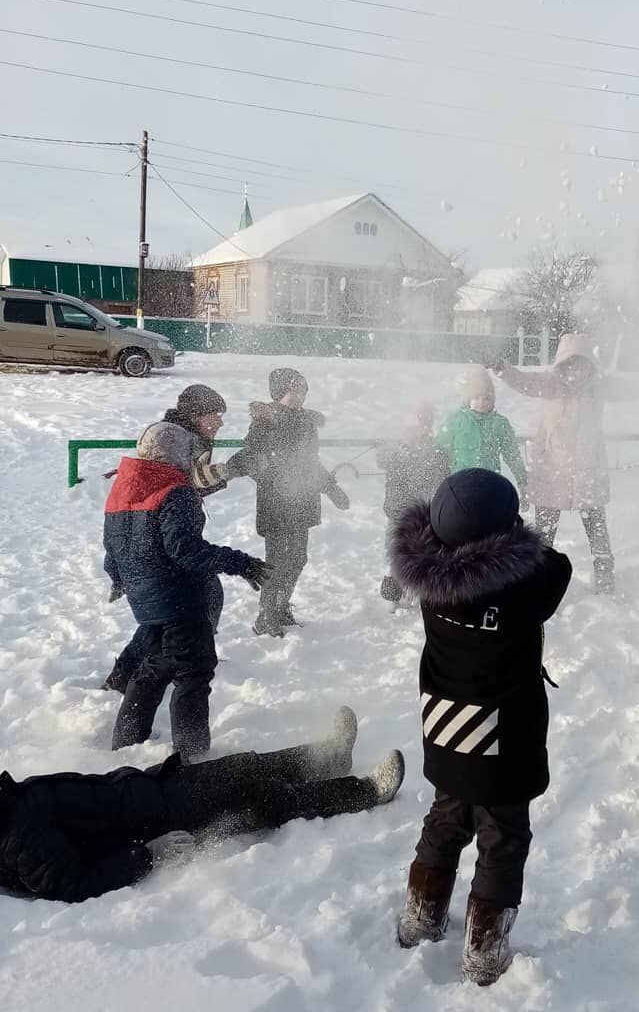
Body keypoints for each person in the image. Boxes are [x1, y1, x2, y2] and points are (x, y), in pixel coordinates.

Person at [390, 469, 572, 986]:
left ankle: (422, 917)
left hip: (447, 723)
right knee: (503, 835)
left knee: (447, 816)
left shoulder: (429, 575)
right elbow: (556, 565)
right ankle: (485, 951)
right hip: (504, 734)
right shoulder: (523, 584)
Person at [0, 707, 405, 903]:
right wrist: (148, 856)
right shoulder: (19, 839)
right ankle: (366, 791)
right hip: (161, 819)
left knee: (247, 766)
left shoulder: (12, 802)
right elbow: (76, 885)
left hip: (150, 790)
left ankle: (329, 756)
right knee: (267, 799)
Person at [491, 334, 639, 594]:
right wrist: (499, 366)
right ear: (561, 364)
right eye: (570, 364)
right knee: (543, 538)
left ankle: (606, 585)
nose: (576, 370)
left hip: (589, 475)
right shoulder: (550, 384)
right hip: (552, 474)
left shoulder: (600, 387)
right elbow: (523, 381)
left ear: (590, 364)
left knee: (598, 536)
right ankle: (534, 586)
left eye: (582, 363)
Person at [104, 422, 271, 759]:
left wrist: (120, 579)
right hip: (180, 599)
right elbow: (185, 549)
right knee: (192, 674)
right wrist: (240, 562)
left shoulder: (124, 490)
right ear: (178, 454)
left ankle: (125, 748)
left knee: (152, 670)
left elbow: (112, 548)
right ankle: (192, 757)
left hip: (146, 601)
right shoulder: (174, 491)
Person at [101, 385, 258, 693]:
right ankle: (187, 653)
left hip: (156, 528)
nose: (220, 423)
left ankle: (136, 669)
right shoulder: (181, 438)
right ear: (198, 415)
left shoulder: (186, 434)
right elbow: (188, 481)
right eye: (216, 415)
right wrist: (233, 469)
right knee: (191, 601)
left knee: (171, 610)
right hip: (155, 530)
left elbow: (189, 485)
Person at [233, 368, 351, 638]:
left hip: (303, 499)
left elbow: (311, 462)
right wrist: (274, 479)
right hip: (276, 502)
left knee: (298, 557)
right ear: (279, 392)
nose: (300, 395)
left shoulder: (306, 422)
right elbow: (251, 460)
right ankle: (266, 615)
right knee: (276, 560)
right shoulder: (265, 421)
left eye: (303, 390)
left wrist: (332, 489)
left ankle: (281, 606)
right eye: (294, 390)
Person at [376, 400, 451, 605]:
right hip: (399, 508)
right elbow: (382, 459)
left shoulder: (437, 451)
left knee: (426, 549)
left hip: (426, 509)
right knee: (398, 549)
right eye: (418, 419)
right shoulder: (396, 449)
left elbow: (443, 477)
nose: (422, 425)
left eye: (426, 420)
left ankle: (421, 588)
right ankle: (393, 590)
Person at [435, 366, 527, 496]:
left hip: (489, 484)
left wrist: (522, 479)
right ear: (468, 398)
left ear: (492, 400)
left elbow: (512, 455)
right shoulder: (456, 420)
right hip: (460, 484)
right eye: (476, 397)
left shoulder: (500, 424)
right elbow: (440, 449)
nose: (481, 402)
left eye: (486, 398)